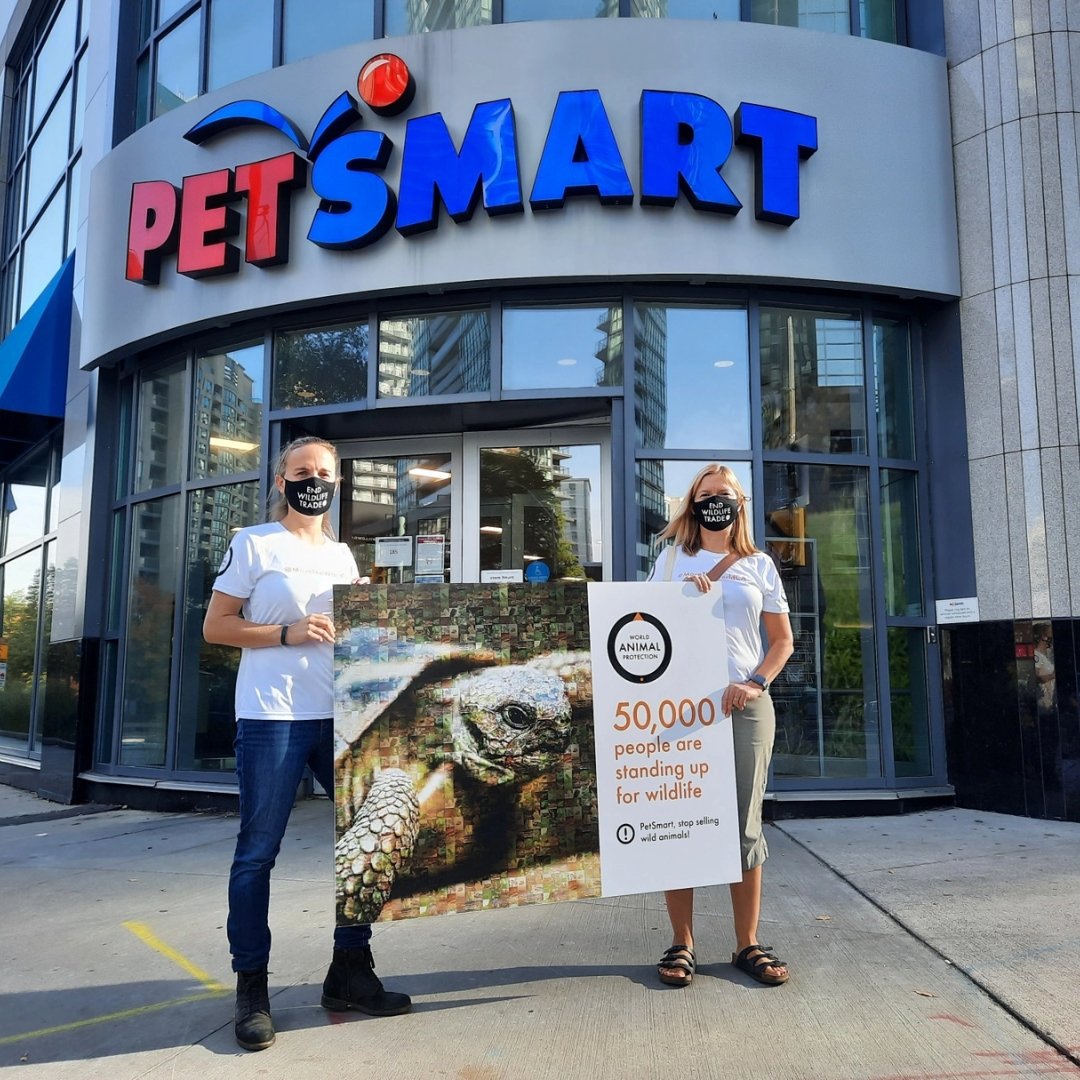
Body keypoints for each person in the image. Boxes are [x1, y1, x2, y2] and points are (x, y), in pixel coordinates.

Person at [203, 436, 411, 1052]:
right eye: (301, 471)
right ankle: (252, 987)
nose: (312, 480)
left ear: (337, 484)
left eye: (324, 472)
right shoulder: (254, 543)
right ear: (280, 481)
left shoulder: (344, 555)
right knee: (257, 853)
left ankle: (350, 970)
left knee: (360, 849)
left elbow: (347, 639)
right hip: (272, 716)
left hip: (339, 716)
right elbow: (216, 626)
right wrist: (287, 632)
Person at [646, 463, 794, 988]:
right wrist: (681, 600)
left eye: (724, 494)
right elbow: (645, 630)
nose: (715, 501)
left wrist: (755, 682)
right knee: (679, 819)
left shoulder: (759, 565)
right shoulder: (670, 561)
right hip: (682, 713)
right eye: (706, 494)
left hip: (745, 705)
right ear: (692, 503)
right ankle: (682, 942)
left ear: (739, 504)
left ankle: (746, 943)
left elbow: (782, 642)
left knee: (744, 823)